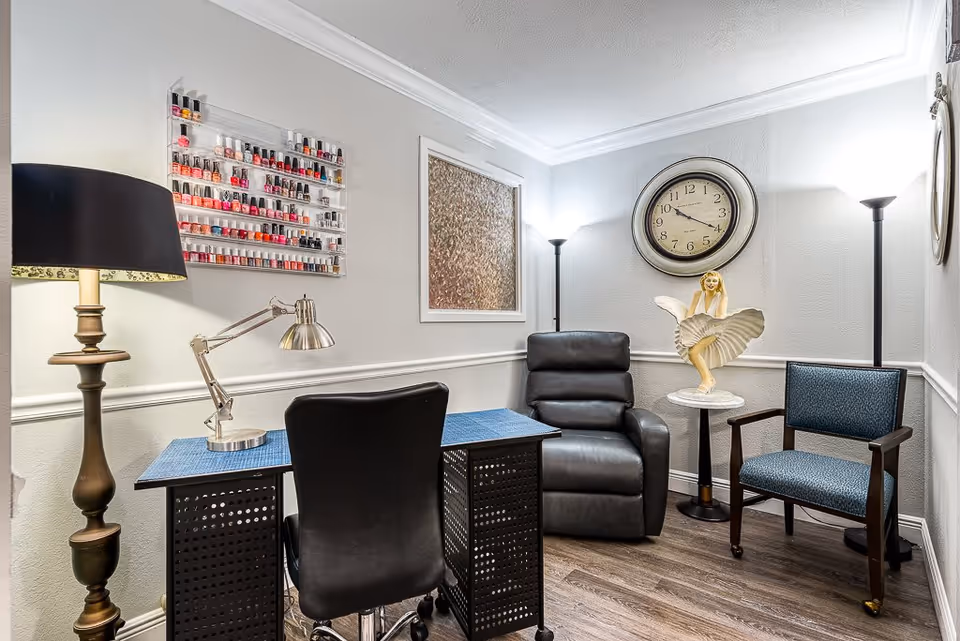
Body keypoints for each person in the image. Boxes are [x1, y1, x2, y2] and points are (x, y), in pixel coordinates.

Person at [655, 271, 763, 394]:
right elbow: (690, 313)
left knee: (693, 352)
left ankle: (708, 380)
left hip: (714, 330)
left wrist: (706, 322)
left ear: (719, 284)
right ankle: (708, 379)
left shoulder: (722, 297)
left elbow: (720, 317)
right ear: (703, 282)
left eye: (714, 281)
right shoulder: (698, 294)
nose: (711, 283)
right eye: (708, 280)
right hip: (698, 330)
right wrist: (687, 326)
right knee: (692, 351)